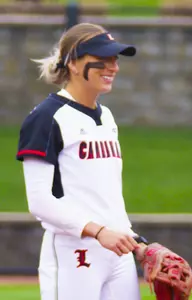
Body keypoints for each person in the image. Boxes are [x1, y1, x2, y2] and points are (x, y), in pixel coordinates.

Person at [17, 23, 150, 300]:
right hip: (72, 252)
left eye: (114, 59)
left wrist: (137, 243)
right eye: (101, 59)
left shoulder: (107, 117)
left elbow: (106, 196)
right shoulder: (46, 117)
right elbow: (39, 201)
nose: (112, 66)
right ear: (74, 63)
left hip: (117, 253)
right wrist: (99, 231)